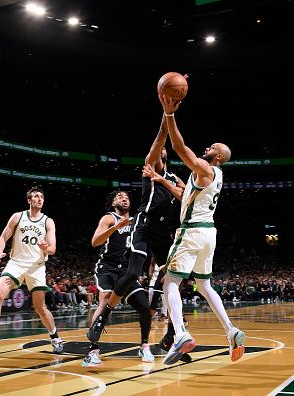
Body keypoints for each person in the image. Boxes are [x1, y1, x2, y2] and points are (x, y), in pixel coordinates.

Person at [157, 93, 246, 365]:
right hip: (209, 233)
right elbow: (184, 193)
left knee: (170, 281)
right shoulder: (214, 176)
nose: (207, 147)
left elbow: (179, 146)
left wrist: (169, 114)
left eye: (212, 146)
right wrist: (161, 179)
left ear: (218, 156)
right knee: (205, 285)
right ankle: (231, 330)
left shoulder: (206, 168)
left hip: (192, 232)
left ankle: (181, 334)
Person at [87, 113, 185, 347]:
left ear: (167, 155)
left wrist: (163, 181)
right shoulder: (151, 168)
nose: (160, 152)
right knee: (132, 273)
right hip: (144, 224)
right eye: (158, 151)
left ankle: (171, 333)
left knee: (173, 279)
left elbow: (184, 196)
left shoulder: (172, 178)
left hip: (162, 231)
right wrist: (166, 113)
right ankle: (104, 317)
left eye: (163, 151)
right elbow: (160, 139)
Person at [0, 187, 64, 358]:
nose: (40, 199)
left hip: (36, 266)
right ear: (29, 200)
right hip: (16, 263)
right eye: (36, 196)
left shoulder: (48, 221)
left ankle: (55, 338)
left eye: (42, 196)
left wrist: (46, 248)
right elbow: (2, 238)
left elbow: (53, 249)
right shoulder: (18, 216)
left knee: (39, 307)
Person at [82, 190, 156, 367]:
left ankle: (144, 345)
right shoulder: (109, 218)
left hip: (127, 271)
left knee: (145, 308)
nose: (124, 199)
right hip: (107, 268)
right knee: (105, 298)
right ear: (113, 202)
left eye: (127, 197)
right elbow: (95, 242)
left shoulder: (136, 221)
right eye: (119, 197)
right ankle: (93, 350)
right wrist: (116, 227)